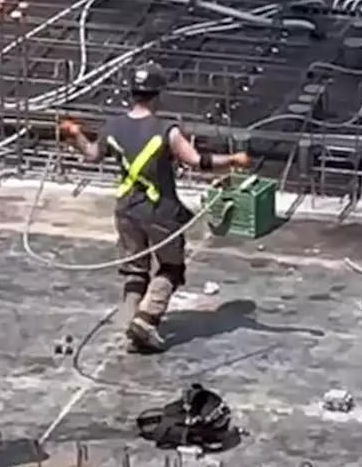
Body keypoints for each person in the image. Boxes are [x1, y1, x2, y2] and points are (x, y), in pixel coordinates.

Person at [58, 61, 250, 353]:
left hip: (126, 211)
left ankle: (128, 318)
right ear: (157, 94)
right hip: (161, 211)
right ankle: (146, 320)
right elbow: (197, 162)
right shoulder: (166, 130)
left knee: (135, 270)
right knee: (171, 268)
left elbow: (91, 155)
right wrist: (233, 160)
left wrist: (75, 135)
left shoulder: (113, 127)